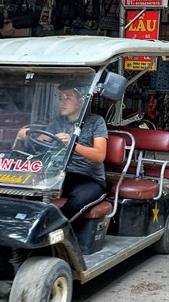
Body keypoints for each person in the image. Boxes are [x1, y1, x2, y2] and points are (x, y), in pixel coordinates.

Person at [18, 84, 108, 220]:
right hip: (59, 175)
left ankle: (52, 231)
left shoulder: (96, 121)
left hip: (89, 178)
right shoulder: (57, 122)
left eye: (68, 98)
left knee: (76, 202)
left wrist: (72, 144)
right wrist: (26, 137)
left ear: (80, 102)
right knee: (18, 192)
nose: (62, 102)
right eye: (60, 98)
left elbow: (100, 155)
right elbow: (39, 145)